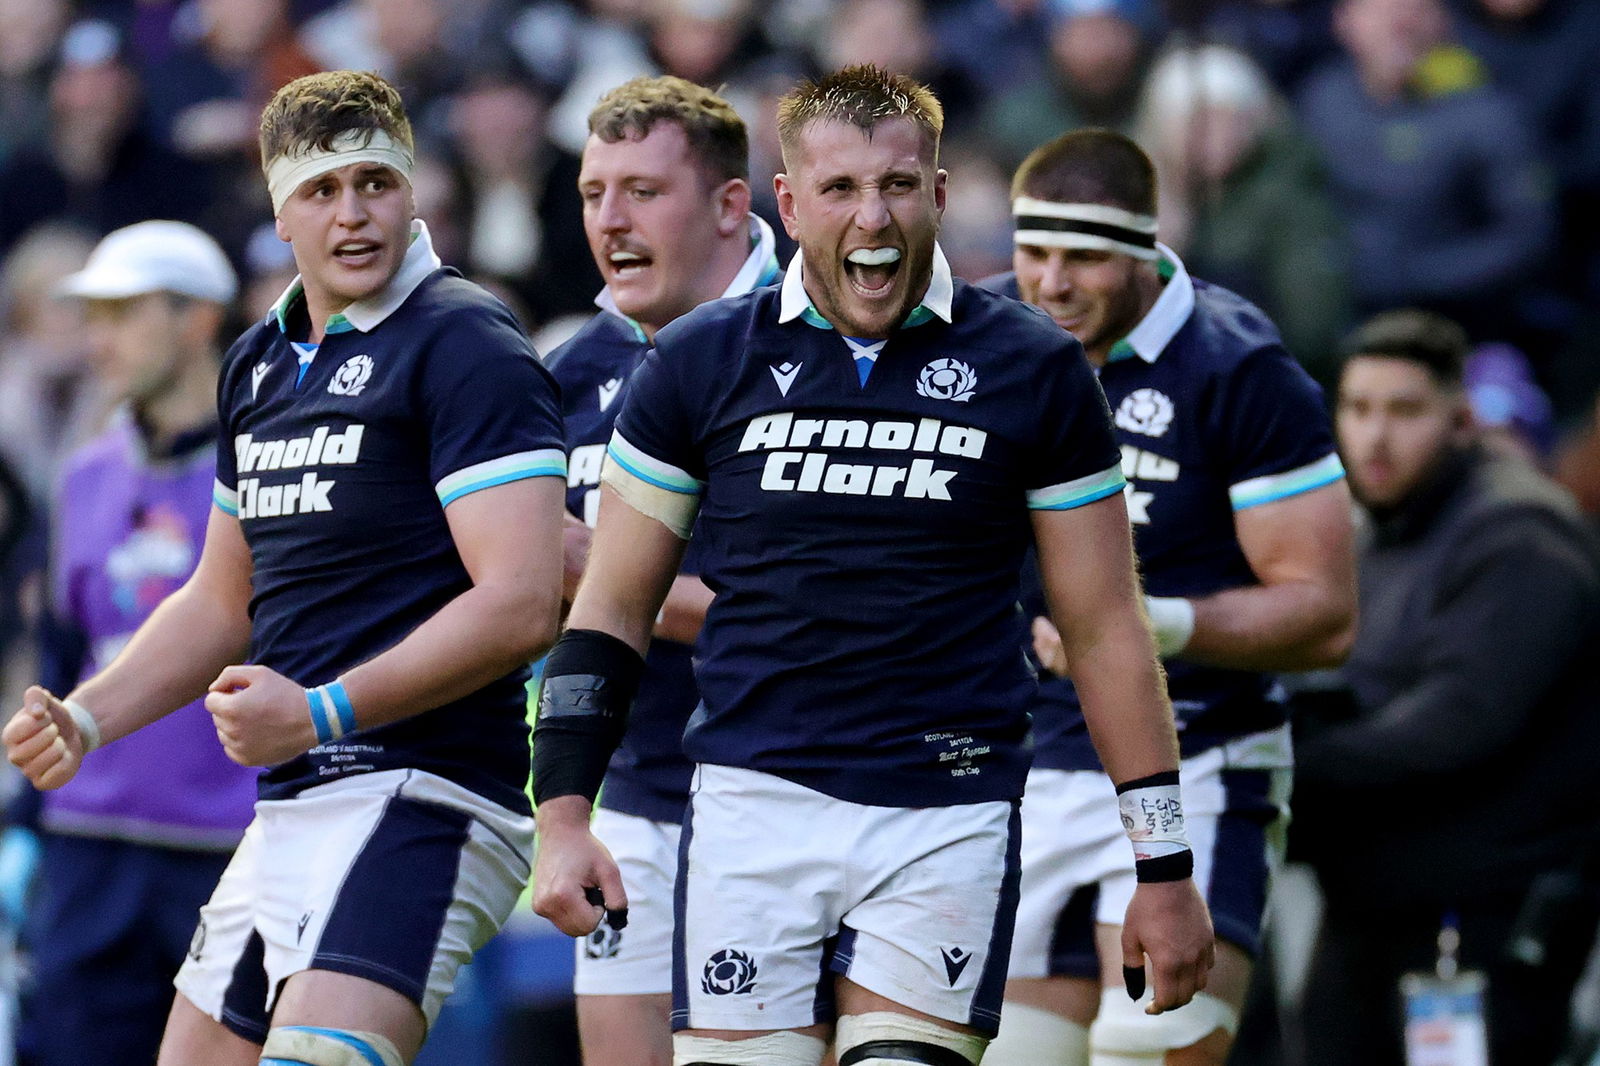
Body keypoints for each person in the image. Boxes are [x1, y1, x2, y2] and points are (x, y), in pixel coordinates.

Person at [531, 64, 1214, 1066]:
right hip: (748, 808)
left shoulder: (1032, 366)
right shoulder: (700, 361)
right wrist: (562, 816)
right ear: (789, 203)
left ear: (938, 195)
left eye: (897, 185)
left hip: (943, 808)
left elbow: (1104, 623)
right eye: (841, 190)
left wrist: (1163, 864)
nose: (872, 218)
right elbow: (612, 607)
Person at [2, 69, 567, 1066]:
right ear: (279, 208)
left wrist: (318, 713)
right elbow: (221, 600)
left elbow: (522, 602)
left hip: (427, 794)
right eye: (321, 190)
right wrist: (88, 717)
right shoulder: (260, 361)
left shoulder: (465, 341)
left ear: (411, 192)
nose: (353, 212)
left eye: (375, 183)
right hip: (294, 807)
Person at [977, 129, 1356, 1066]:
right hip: (1019, 764)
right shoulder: (982, 338)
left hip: (1199, 758)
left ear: (1147, 250)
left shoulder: (1238, 367)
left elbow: (1325, 614)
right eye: (1035, 252)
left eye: (1086, 257)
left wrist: (1150, 625)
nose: (1052, 284)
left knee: (1146, 1054)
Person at [1290, 309, 1600, 1066]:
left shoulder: (1523, 536)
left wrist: (1285, 759)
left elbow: (1459, 721)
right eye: (1358, 409)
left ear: (1460, 420)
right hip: (1368, 908)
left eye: (1405, 411)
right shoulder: (1373, 532)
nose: (1375, 437)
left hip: (1478, 924)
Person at [546, 74, 779, 1066]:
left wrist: (584, 567)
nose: (611, 219)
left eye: (643, 191)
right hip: (635, 797)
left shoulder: (814, 346)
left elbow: (799, 613)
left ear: (733, 204)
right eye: (595, 193)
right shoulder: (567, 373)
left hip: (796, 793)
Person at [6, 220, 256, 1066]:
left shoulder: (266, 471)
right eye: (93, 315)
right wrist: (29, 816)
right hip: (88, 849)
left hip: (226, 848)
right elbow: (60, 652)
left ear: (195, 319)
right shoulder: (82, 474)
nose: (97, 338)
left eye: (121, 314)